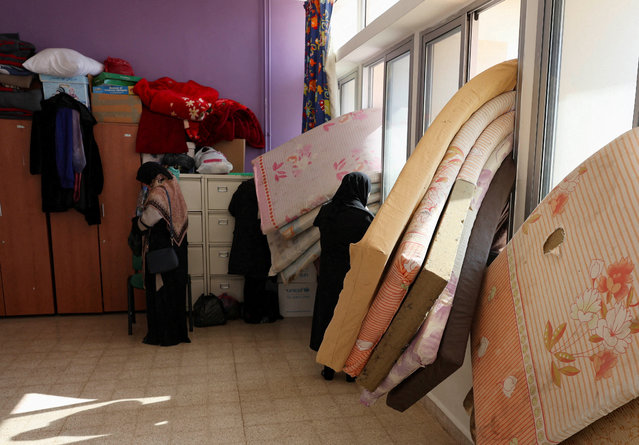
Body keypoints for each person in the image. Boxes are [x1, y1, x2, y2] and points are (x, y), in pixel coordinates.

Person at [310, 172, 374, 381]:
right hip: (351, 276)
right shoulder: (364, 217)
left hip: (328, 273)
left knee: (328, 316)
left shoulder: (327, 211)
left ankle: (328, 368)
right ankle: (349, 371)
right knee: (349, 319)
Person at [135, 162, 190, 346]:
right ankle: (177, 332)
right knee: (175, 291)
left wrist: (138, 225)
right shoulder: (173, 185)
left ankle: (163, 335)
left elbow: (150, 219)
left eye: (144, 182)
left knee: (160, 291)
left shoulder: (158, 191)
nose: (146, 186)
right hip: (177, 248)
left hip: (161, 248)